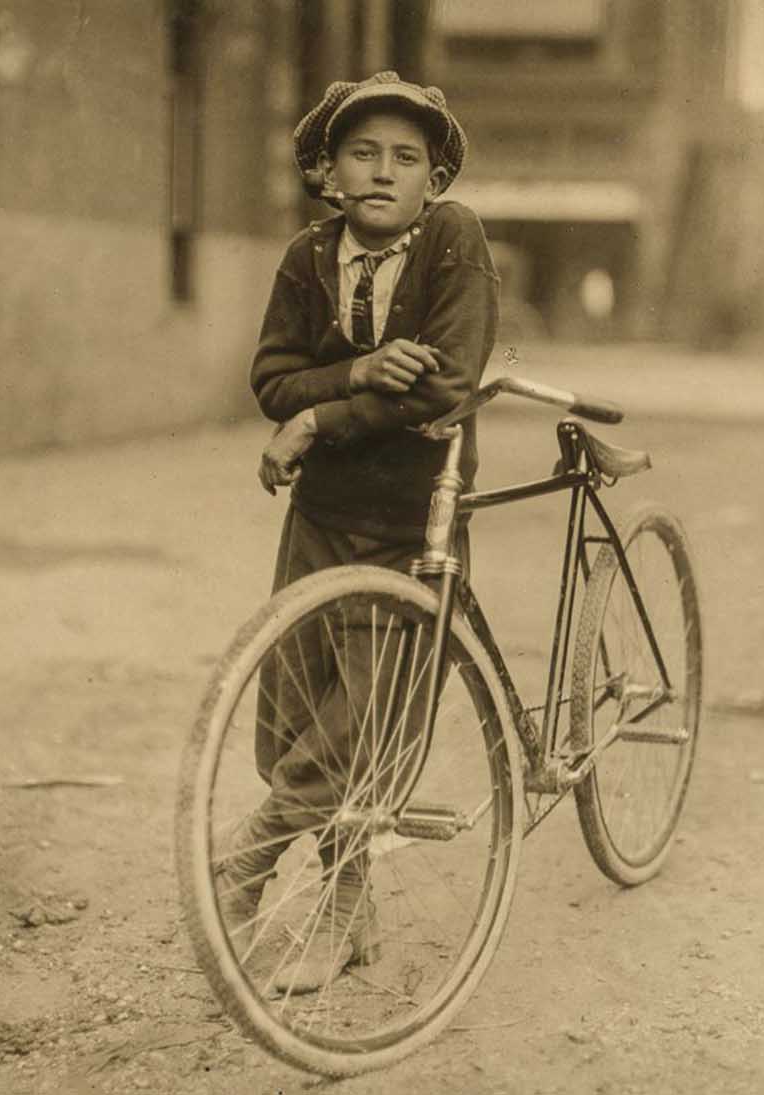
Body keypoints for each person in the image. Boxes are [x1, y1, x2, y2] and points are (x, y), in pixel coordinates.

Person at [217, 72, 499, 995]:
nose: (383, 172)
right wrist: (363, 371)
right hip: (321, 514)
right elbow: (270, 378)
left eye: (406, 158)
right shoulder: (308, 258)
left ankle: (253, 862)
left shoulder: (452, 241)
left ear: (433, 178)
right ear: (329, 171)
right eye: (363, 153)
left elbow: (447, 383)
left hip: (411, 513)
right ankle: (355, 906)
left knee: (365, 718)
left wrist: (318, 419)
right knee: (298, 703)